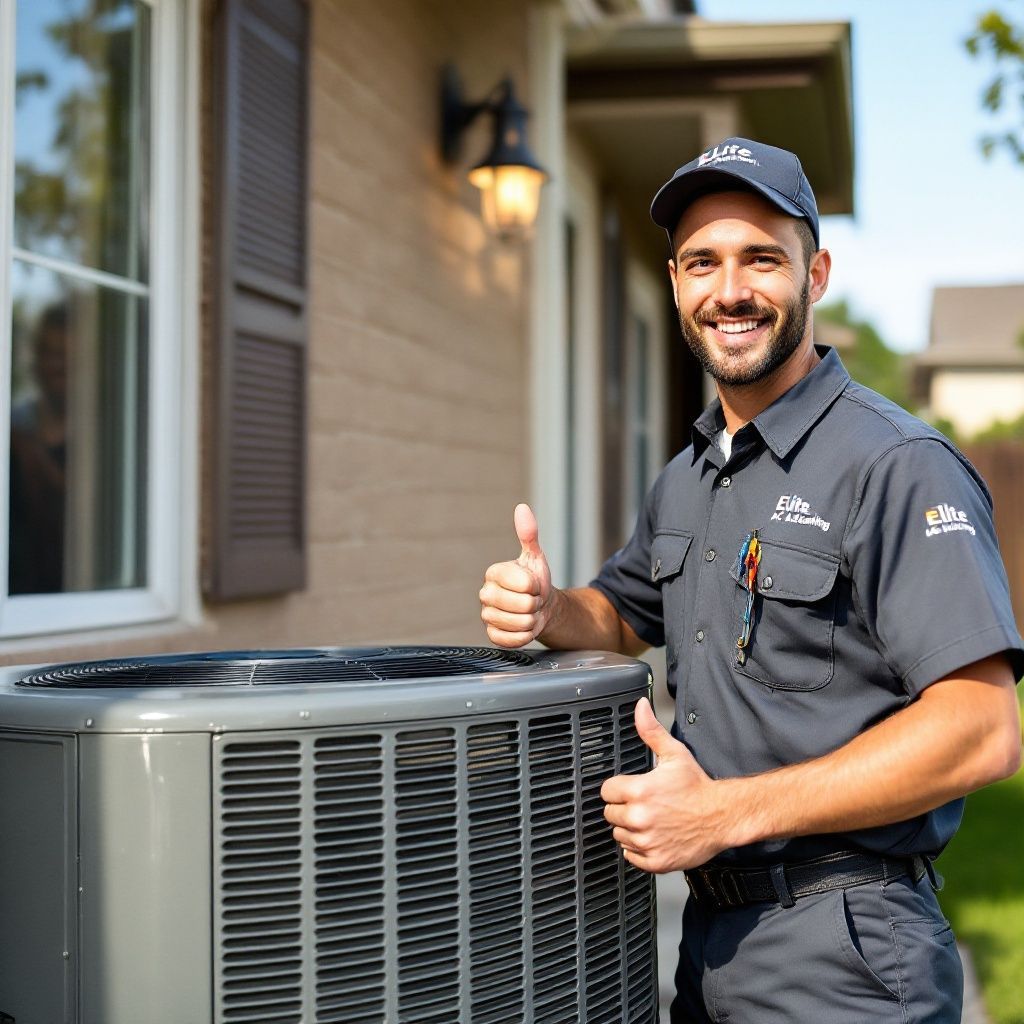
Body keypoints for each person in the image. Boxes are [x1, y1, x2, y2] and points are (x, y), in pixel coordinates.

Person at [478, 137, 1024, 1023]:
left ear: (816, 276)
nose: (729, 290)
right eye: (702, 262)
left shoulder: (897, 465)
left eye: (760, 258)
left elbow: (981, 730)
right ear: (675, 283)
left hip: (847, 954)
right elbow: (620, 614)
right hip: (712, 945)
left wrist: (722, 814)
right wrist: (548, 609)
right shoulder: (691, 473)